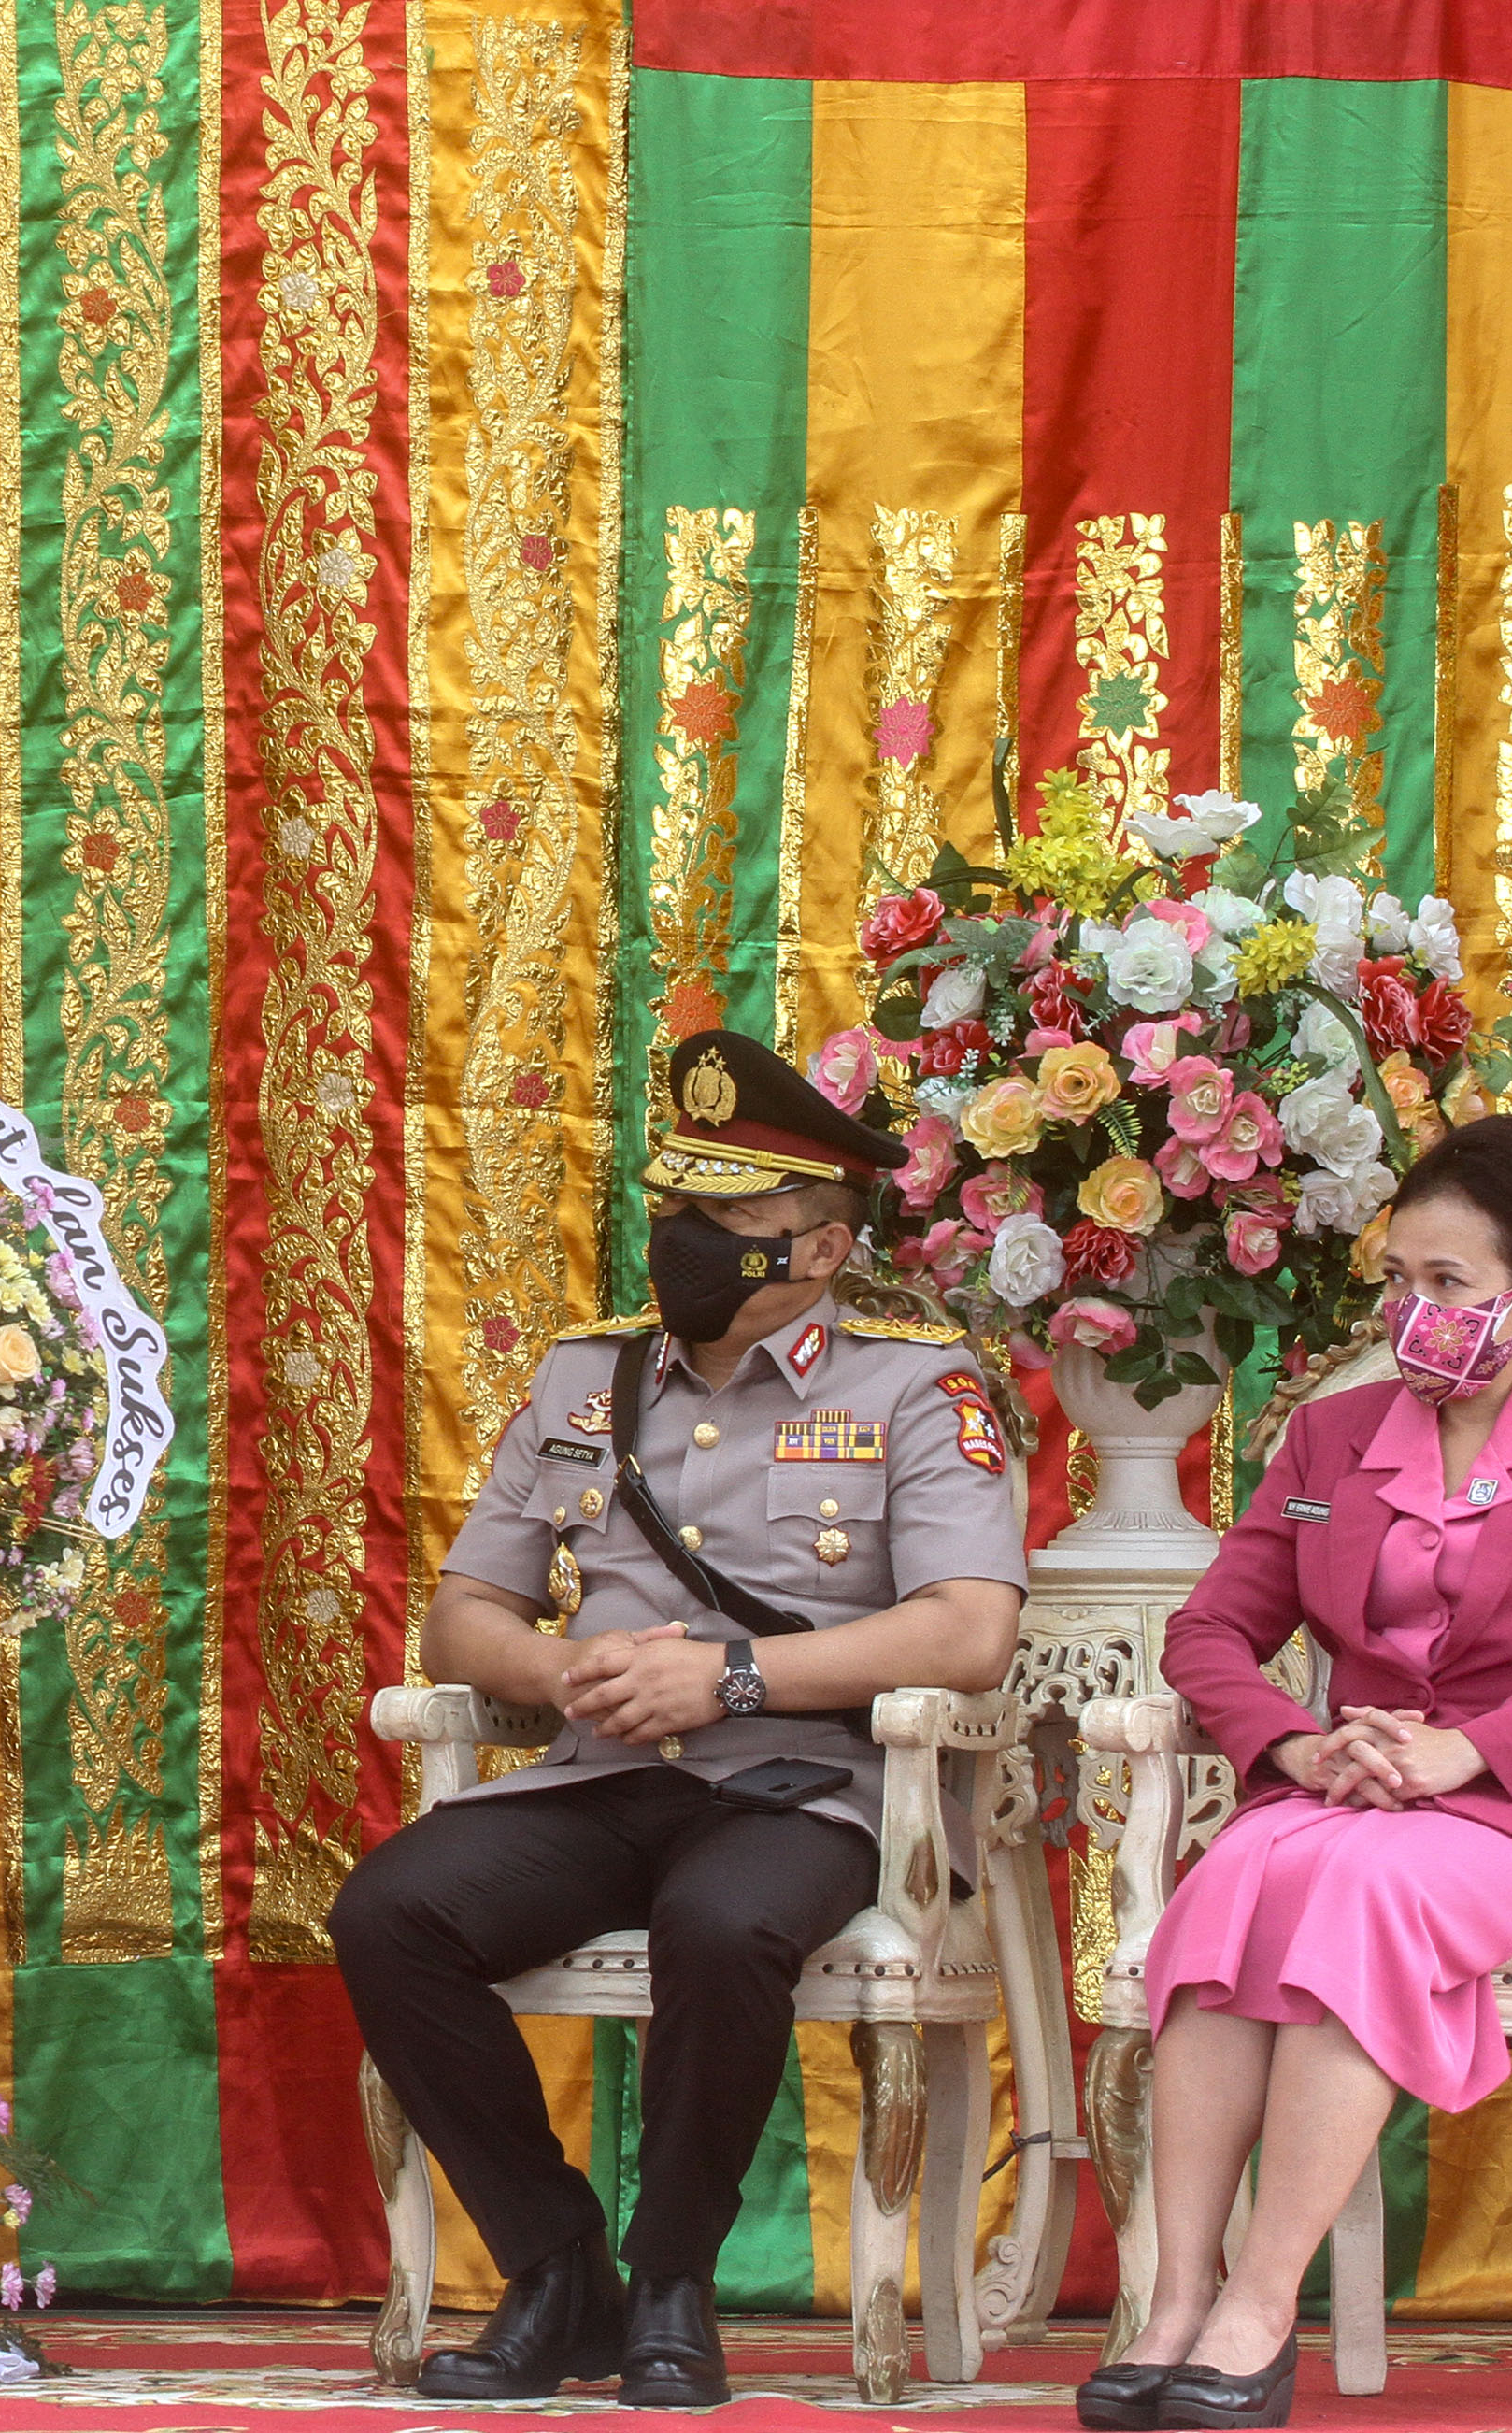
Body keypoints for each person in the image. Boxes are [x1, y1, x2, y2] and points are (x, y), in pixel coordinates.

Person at [331, 1029, 1029, 2407]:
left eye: (729, 1220)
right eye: (680, 1211)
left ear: (820, 1249)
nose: (685, 1242)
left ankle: (671, 2281)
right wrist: (551, 1674)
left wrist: (735, 1679)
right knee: (391, 1913)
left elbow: (968, 1627)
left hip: (805, 1782)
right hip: (600, 1775)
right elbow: (465, 1609)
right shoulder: (586, 1378)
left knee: (723, 1927)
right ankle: (556, 2269)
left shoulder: (915, 1386)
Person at [1083, 1117, 1512, 2433]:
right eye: (1397, 1278)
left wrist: (1475, 1746)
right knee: (1232, 1878)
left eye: (1446, 1285)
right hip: (1340, 1786)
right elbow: (1210, 1634)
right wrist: (1294, 1745)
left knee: (1359, 1897)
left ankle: (1258, 2306)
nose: (1411, 1310)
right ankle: (1175, 2300)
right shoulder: (1334, 1435)